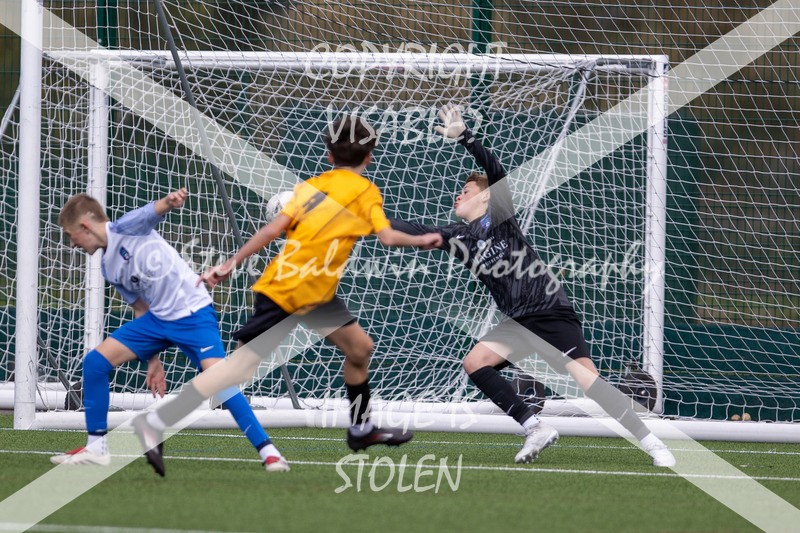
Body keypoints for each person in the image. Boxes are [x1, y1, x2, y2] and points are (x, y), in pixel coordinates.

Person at [131, 116, 443, 475]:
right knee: (238, 370)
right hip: (291, 291)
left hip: (311, 291)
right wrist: (423, 239)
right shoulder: (366, 191)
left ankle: (361, 429)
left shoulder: (310, 187)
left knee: (360, 348)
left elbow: (272, 229)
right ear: (370, 157)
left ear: (328, 155)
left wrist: (229, 263)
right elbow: (388, 237)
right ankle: (155, 422)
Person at [390, 105, 676, 467]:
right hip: (517, 323)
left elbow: (496, 172)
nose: (457, 196)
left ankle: (654, 444)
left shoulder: (502, 219)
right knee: (475, 362)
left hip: (548, 312)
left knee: (589, 383)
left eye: (465, 190)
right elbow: (412, 229)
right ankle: (534, 427)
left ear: (485, 196)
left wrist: (466, 137)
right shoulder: (458, 235)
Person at [50, 188, 290, 475]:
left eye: (70, 235)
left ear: (84, 226)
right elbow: (141, 307)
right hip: (158, 320)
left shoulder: (128, 226)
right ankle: (97, 447)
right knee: (95, 363)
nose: (72, 243)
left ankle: (269, 452)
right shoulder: (108, 266)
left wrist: (171, 201)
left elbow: (155, 210)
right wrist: (152, 360)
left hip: (192, 312)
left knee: (220, 381)